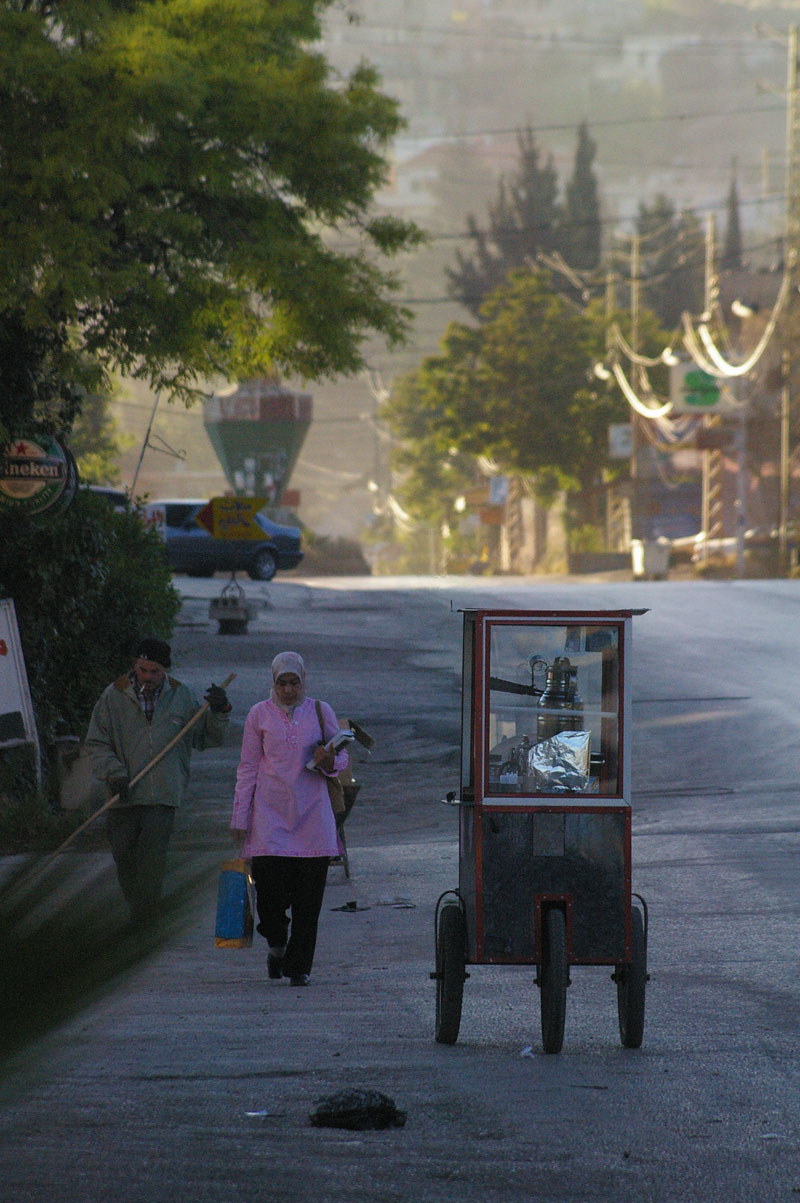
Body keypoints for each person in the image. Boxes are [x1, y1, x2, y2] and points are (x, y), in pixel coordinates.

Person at [86, 636, 231, 925]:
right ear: (134, 666)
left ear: (165, 670)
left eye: (155, 671)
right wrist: (114, 773)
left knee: (152, 860)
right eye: (143, 670)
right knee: (125, 859)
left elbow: (206, 738)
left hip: (163, 795)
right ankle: (140, 908)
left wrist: (219, 711)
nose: (148, 677)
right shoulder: (113, 697)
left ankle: (145, 919)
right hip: (123, 794)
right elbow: (96, 743)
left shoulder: (181, 696)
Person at [230, 651, 348, 986]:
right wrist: (240, 816)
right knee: (269, 900)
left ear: (303, 681)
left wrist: (329, 759)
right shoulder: (258, 715)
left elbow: (341, 761)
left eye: (293, 682)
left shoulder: (321, 711)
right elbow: (248, 768)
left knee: (308, 904)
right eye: (281, 683)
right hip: (269, 819)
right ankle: (278, 947)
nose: (287, 690)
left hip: (313, 820)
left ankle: (299, 968)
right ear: (273, 682)